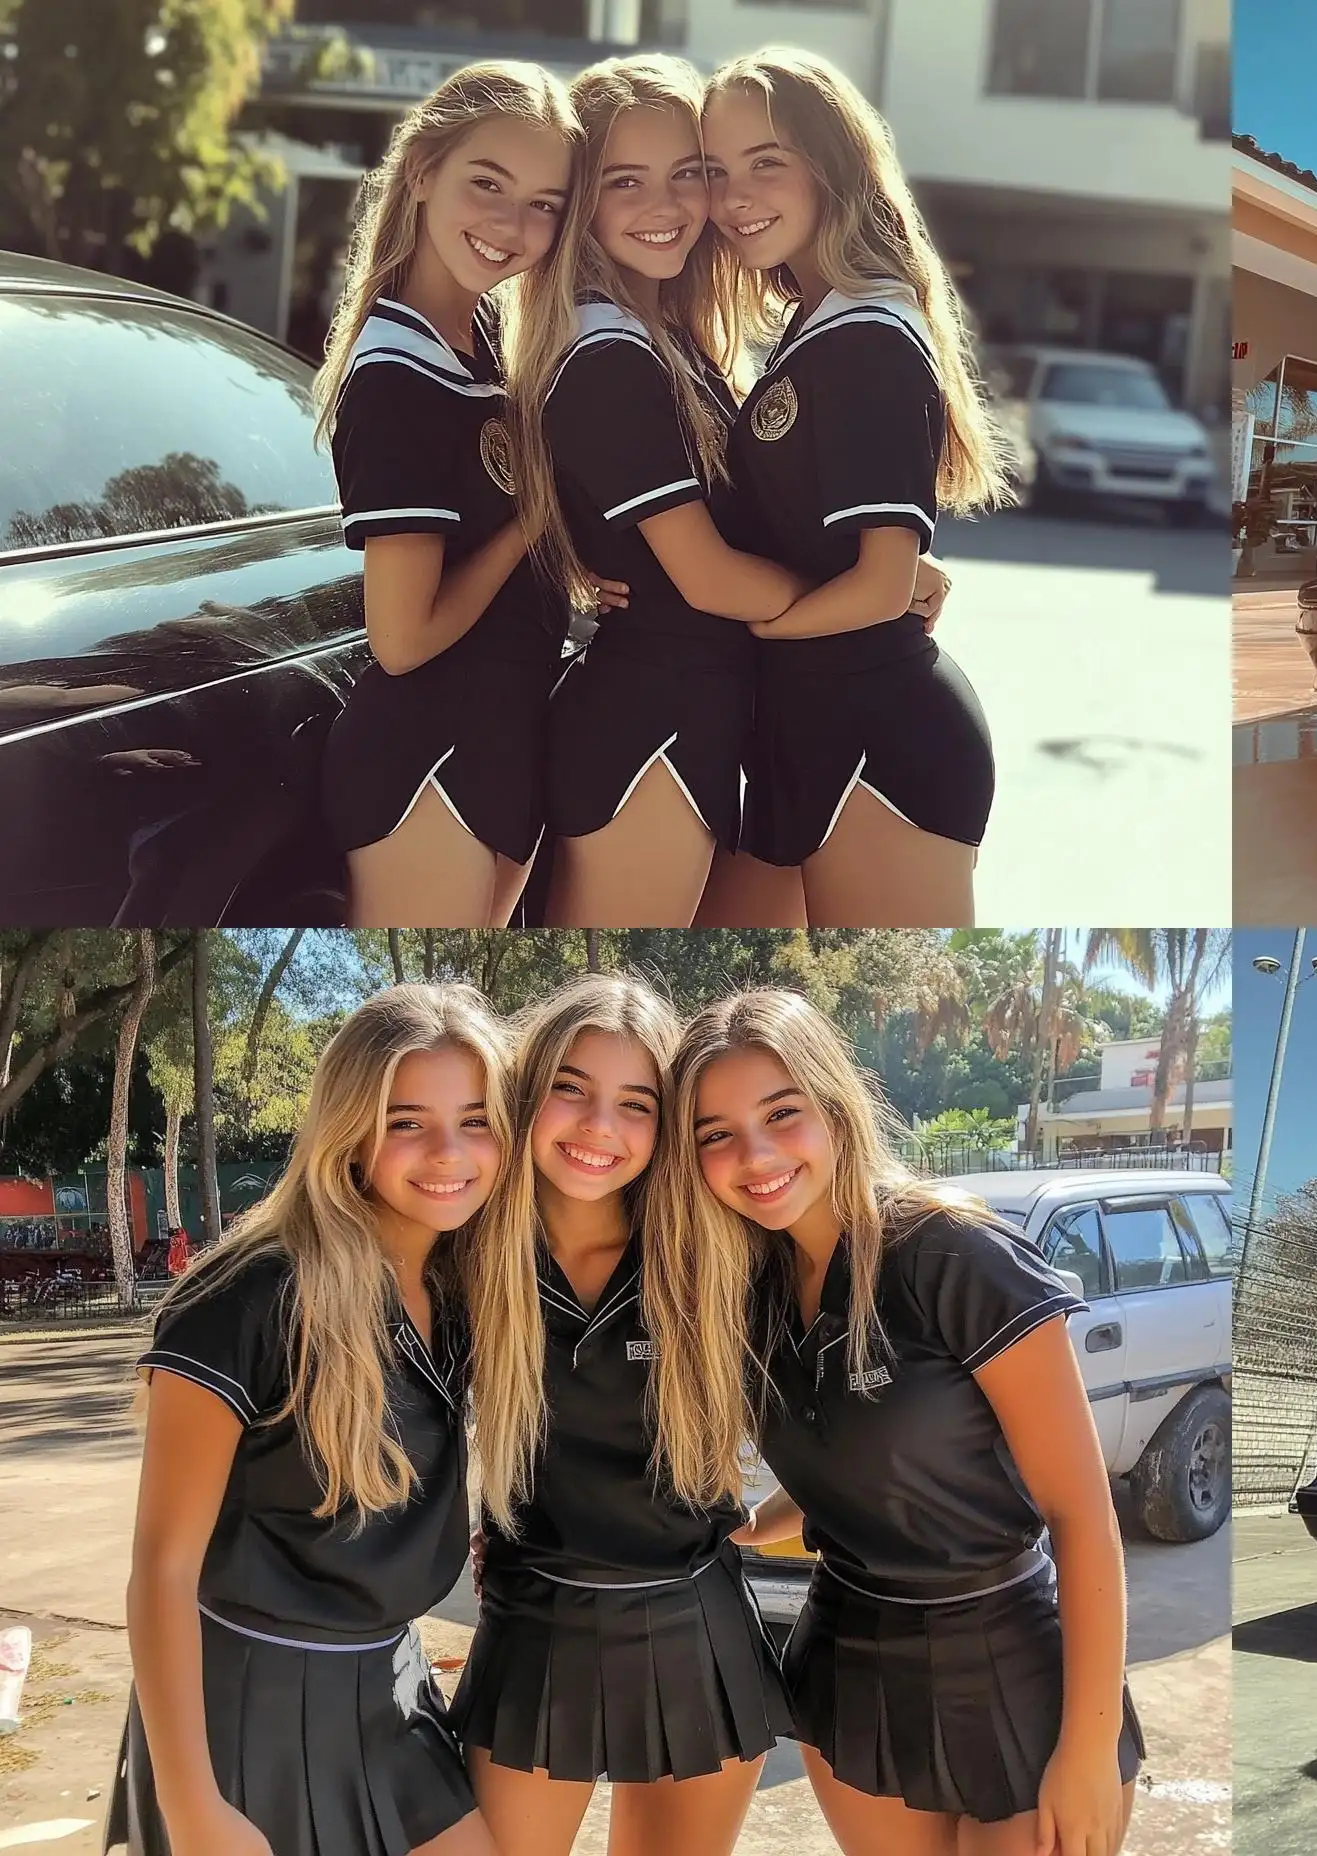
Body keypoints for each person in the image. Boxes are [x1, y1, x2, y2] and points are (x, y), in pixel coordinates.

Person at [673, 989, 1140, 1854]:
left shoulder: (951, 1252)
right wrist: (732, 1535)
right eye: (716, 1134)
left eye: (783, 1113)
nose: (756, 1154)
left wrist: (1086, 1746)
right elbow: (845, 1472)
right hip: (848, 1672)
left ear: (837, 1106)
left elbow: (1083, 1515)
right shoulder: (748, 1293)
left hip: (1011, 1663)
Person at [514, 55, 952, 927]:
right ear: (579, 205)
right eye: (623, 181)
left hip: (716, 719)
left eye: (690, 175)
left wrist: (889, 571)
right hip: (652, 729)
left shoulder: (668, 339)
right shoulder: (608, 352)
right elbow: (709, 576)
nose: (667, 205)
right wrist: (863, 591)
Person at [113, 984, 532, 1856]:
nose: (449, 1151)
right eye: (408, 1120)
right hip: (249, 1702)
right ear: (351, 1129)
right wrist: (193, 1810)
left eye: (477, 1118)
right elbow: (160, 1569)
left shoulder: (462, 1290)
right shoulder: (249, 1293)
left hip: (391, 1679)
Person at [450, 975, 792, 1856]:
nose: (600, 1128)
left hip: (696, 1627)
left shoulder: (715, 1249)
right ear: (526, 1096)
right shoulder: (470, 1249)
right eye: (571, 1088)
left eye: (635, 1103)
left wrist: (815, 1504)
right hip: (536, 1628)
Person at [699, 48, 1017, 928]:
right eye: (719, 172)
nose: (735, 199)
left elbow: (880, 582)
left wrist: (755, 616)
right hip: (803, 725)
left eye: (767, 164)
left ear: (833, 167)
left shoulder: (868, 333)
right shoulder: (817, 317)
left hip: (881, 741)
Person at [316, 64, 584, 930]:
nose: (512, 225)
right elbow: (401, 640)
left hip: (506, 741)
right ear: (423, 172)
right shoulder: (394, 373)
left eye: (544, 203)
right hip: (426, 760)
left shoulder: (491, 343)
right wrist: (529, 523)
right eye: (488, 184)